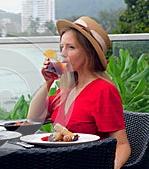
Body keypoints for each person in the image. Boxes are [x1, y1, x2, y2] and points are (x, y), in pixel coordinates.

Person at [27, 16, 131, 169]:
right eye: (62, 47)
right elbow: (33, 118)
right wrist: (48, 83)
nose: (63, 54)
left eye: (71, 47)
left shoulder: (103, 91)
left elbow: (122, 144)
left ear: (89, 52)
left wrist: (113, 167)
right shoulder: (66, 90)